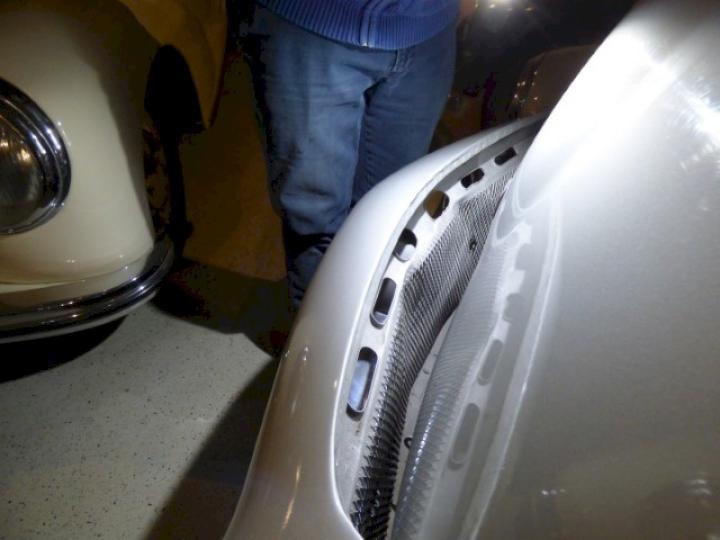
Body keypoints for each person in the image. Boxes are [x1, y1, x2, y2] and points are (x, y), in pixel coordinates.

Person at [244, 0, 460, 309]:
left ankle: (369, 322)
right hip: (310, 22)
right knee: (314, 219)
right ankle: (321, 333)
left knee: (391, 210)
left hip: (428, 28)